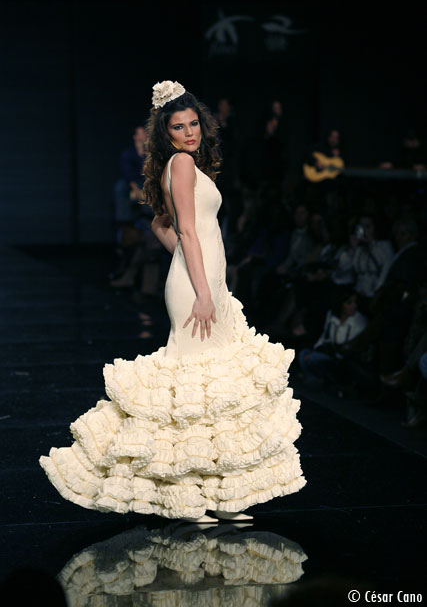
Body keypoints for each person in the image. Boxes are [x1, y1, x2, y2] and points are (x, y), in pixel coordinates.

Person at [39, 81, 306, 524]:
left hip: (203, 281)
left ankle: (217, 496)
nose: (189, 133)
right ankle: (186, 498)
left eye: (193, 124)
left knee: (211, 393)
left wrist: (197, 273)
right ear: (166, 133)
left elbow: (161, 225)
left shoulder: (182, 165)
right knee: (193, 390)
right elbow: (184, 231)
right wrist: (201, 290)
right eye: (179, 127)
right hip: (197, 288)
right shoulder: (181, 163)